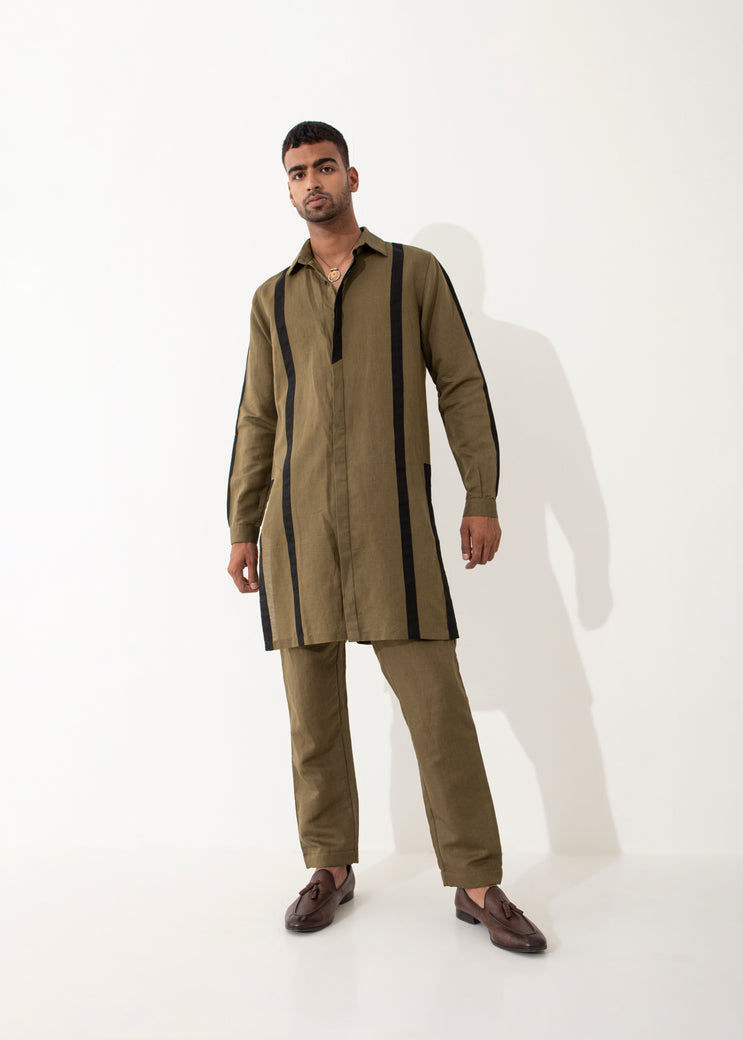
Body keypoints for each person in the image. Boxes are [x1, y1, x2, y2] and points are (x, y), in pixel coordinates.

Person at [226, 121, 547, 954]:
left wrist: (482, 494)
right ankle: (329, 867)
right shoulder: (271, 299)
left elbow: (461, 383)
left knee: (439, 711)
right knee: (313, 721)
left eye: (324, 166)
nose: (312, 182)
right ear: (287, 188)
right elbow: (257, 416)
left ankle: (476, 881)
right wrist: (241, 526)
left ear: (352, 175)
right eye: (297, 172)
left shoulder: (414, 274)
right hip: (296, 533)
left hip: (393, 533)